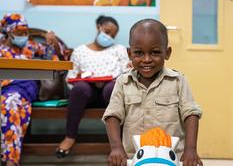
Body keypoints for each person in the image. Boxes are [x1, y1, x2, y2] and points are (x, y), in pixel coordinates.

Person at [102, 18, 203, 166]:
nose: (147, 59)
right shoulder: (123, 82)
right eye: (139, 53)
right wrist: (116, 148)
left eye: (155, 52)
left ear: (167, 53)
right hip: (135, 158)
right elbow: (112, 115)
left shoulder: (178, 81)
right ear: (129, 54)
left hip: (171, 159)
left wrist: (191, 149)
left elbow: (191, 113)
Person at [56, 15, 130, 158]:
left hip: (110, 93)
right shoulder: (79, 51)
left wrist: (128, 69)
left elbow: (126, 75)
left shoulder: (119, 50)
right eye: (107, 32)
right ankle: (69, 137)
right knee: (80, 88)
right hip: (86, 95)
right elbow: (70, 78)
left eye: (113, 35)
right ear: (99, 27)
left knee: (113, 88)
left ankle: (119, 142)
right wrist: (82, 78)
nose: (109, 37)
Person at [0, 13, 61, 166]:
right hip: (4, 88)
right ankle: (10, 158)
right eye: (19, 33)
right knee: (12, 107)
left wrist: (50, 43)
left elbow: (52, 60)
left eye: (25, 32)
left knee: (11, 103)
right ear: (9, 32)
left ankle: (10, 161)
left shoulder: (31, 46)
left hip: (25, 86)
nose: (24, 36)